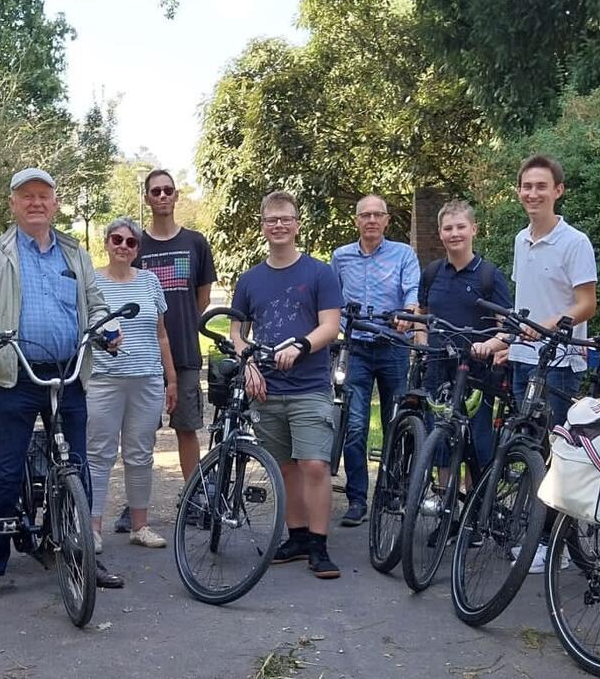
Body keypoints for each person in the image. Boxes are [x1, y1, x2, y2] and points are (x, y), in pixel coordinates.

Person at [0, 167, 122, 607]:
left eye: (43, 196)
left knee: (77, 466)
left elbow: (97, 301)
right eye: (26, 196)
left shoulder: (74, 252)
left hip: (69, 373)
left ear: (55, 203)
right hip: (18, 374)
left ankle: (78, 551)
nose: (35, 202)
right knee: (7, 472)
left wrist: (106, 330)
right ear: (13, 204)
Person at [473, 153, 597, 574]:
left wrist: (546, 327)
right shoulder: (520, 239)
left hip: (560, 362)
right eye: (527, 186)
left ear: (558, 191)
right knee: (529, 451)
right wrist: (507, 340)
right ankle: (537, 534)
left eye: (541, 186)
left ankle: (554, 543)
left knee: (557, 455)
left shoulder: (574, 242)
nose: (533, 193)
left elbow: (587, 305)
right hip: (525, 359)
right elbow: (525, 305)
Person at [231, 190, 343, 579]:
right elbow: (237, 332)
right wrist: (248, 366)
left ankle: (319, 544)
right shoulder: (249, 280)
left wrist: (302, 345)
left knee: (314, 464)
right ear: (262, 225)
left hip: (309, 386)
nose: (278, 225)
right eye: (270, 219)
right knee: (284, 468)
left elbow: (331, 324)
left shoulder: (319, 272)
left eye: (285, 219)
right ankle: (296, 537)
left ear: (297, 224)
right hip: (267, 388)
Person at [86, 216, 178, 551]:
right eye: (117, 239)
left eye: (131, 242)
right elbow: (85, 332)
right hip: (103, 381)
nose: (123, 246)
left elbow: (162, 334)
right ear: (107, 242)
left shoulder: (151, 281)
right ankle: (93, 528)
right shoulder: (92, 282)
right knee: (98, 454)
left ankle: (140, 525)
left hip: (147, 379)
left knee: (141, 454)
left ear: (138, 248)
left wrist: (171, 379)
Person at [329, 193, 420, 527]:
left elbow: (412, 295)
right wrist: (340, 329)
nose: (370, 221)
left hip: (394, 346)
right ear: (356, 220)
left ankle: (392, 490)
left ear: (386, 220)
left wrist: (409, 317)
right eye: (364, 215)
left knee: (396, 422)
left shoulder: (403, 254)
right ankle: (356, 499)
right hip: (356, 350)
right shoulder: (341, 257)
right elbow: (332, 299)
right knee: (354, 426)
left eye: (376, 215)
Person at [132, 168, 215, 531]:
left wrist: (184, 325)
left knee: (186, 428)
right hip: (142, 356)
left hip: (183, 353)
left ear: (176, 195)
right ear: (147, 198)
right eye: (155, 191)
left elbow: (203, 296)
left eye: (168, 190)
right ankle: (135, 506)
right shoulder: (135, 245)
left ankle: (194, 497)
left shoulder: (195, 242)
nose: (162, 196)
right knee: (141, 434)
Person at [416, 199, 513, 470]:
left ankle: (471, 505)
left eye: (461, 227)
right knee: (439, 442)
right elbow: (421, 316)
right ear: (440, 233)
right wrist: (423, 345)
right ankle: (446, 508)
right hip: (437, 367)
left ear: (474, 229)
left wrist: (488, 346)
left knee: (477, 443)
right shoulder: (432, 273)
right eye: (448, 228)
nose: (454, 233)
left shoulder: (489, 275)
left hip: (476, 371)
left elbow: (506, 329)